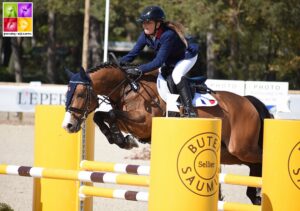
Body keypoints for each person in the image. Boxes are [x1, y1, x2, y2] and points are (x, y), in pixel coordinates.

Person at [120, 5, 199, 117]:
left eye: (148, 22)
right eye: (143, 22)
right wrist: (116, 64)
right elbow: (132, 54)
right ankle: (172, 108)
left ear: (158, 24)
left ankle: (189, 109)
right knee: (162, 79)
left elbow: (158, 62)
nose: (145, 25)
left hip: (187, 56)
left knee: (176, 75)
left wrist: (138, 69)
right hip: (171, 58)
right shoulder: (145, 35)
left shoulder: (168, 35)